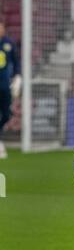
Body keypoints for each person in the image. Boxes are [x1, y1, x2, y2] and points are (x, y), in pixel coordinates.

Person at [0, 20, 22, 159]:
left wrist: (18, 77)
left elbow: (16, 62)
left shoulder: (9, 44)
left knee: (7, 114)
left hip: (5, 86)